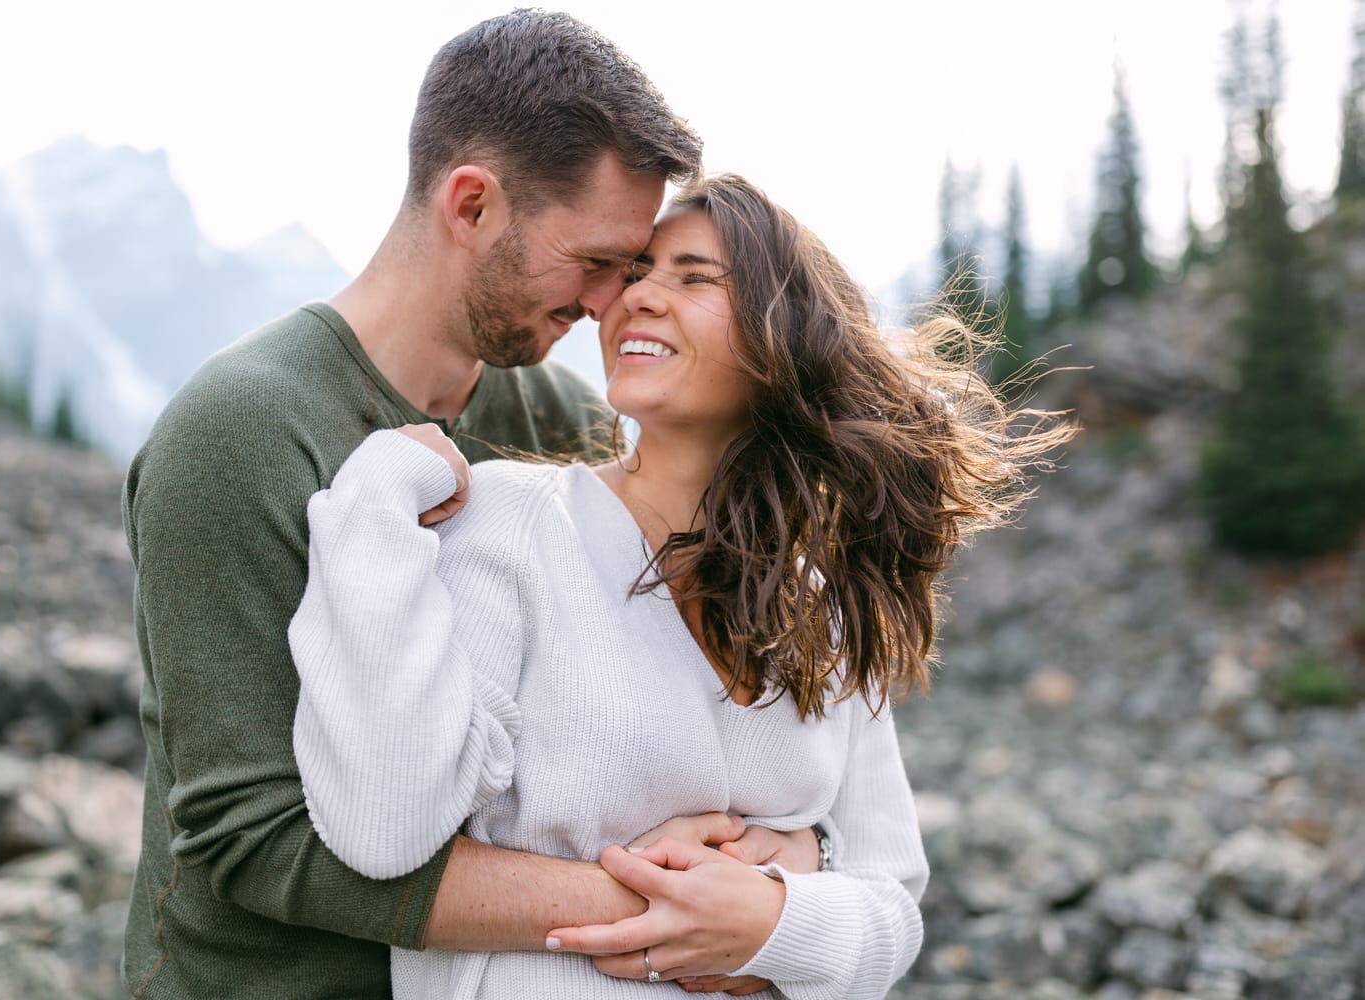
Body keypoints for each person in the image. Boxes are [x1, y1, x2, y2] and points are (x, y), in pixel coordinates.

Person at [289, 174, 1074, 998]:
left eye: (695, 277)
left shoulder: (820, 602)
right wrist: (377, 493)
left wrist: (775, 924)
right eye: (632, 273)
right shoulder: (510, 525)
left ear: (785, 339)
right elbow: (384, 825)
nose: (639, 298)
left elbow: (891, 911)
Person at [117, 10, 755, 998]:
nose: (605, 305)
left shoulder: (563, 423)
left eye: (624, 269)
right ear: (471, 206)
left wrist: (781, 877)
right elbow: (257, 840)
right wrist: (642, 906)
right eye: (593, 261)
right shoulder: (237, 433)